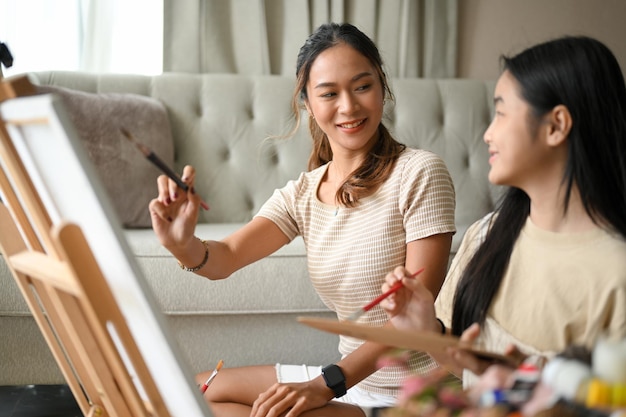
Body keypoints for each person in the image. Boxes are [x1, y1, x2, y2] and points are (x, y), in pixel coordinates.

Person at [149, 22, 456, 417]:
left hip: (409, 394)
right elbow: (225, 257)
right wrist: (181, 243)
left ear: (382, 86)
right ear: (308, 102)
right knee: (186, 393)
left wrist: (323, 386)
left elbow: (413, 317)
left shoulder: (420, 172)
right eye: (329, 94)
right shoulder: (304, 193)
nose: (348, 106)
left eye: (362, 86)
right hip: (351, 387)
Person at [381, 35, 626, 391]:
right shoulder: (486, 235)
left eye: (500, 113)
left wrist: (521, 391)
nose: (487, 134)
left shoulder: (615, 273)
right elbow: (462, 365)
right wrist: (425, 329)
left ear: (556, 125)